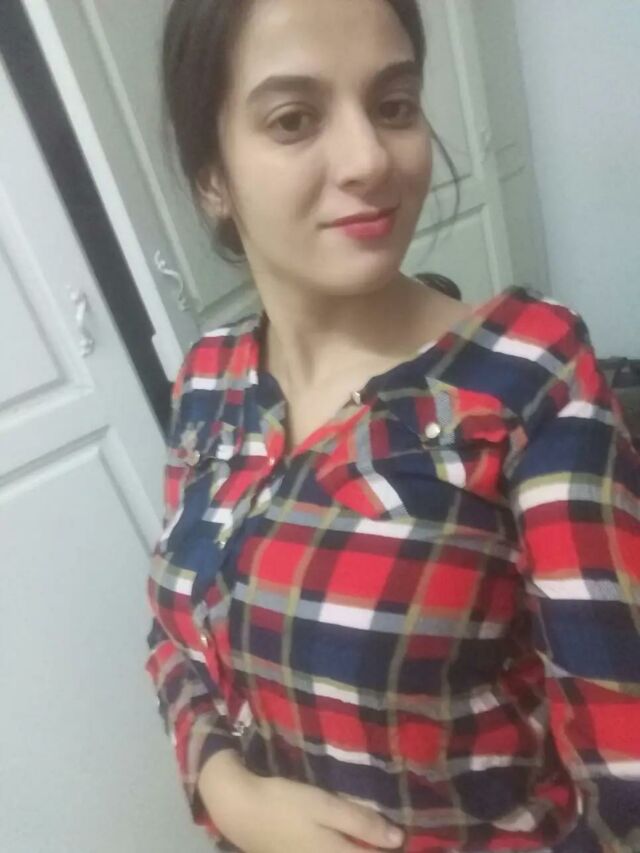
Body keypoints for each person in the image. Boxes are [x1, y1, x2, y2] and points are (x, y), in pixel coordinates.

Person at [144, 1, 640, 851]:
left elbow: (625, 777)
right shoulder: (208, 381)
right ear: (212, 175)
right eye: (294, 118)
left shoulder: (528, 374)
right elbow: (174, 637)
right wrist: (227, 790)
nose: (370, 157)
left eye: (394, 105)